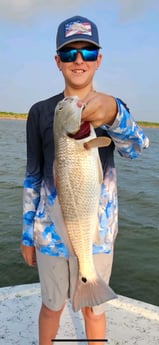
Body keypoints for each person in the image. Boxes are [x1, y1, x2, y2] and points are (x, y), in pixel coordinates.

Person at [20, 15, 149, 345]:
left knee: (95, 310)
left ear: (99, 60)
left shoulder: (112, 110)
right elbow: (33, 175)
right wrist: (27, 233)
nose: (79, 60)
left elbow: (136, 149)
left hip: (97, 232)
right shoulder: (38, 112)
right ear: (58, 62)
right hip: (49, 233)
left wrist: (116, 113)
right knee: (52, 306)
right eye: (69, 53)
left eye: (88, 53)